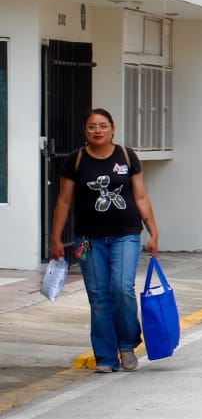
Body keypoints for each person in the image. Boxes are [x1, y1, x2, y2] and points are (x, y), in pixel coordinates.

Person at [49, 109, 159, 372]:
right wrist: (55, 238)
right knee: (98, 297)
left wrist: (153, 232)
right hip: (88, 240)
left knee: (121, 290)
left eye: (102, 125)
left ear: (112, 128)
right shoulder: (75, 161)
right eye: (91, 126)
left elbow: (141, 197)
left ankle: (126, 345)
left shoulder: (126, 156)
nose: (97, 130)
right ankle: (106, 357)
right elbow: (63, 201)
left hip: (126, 235)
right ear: (84, 131)